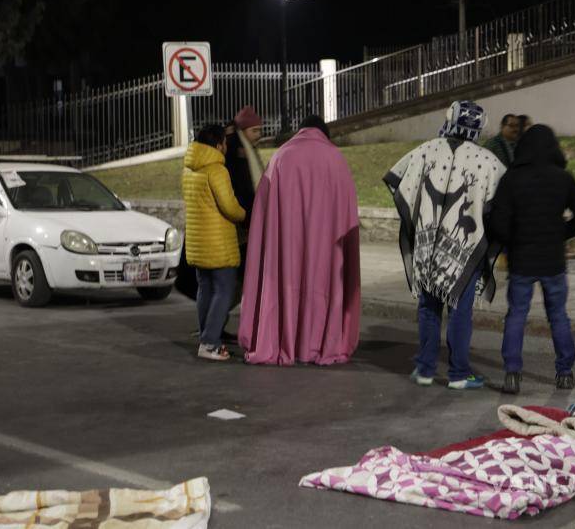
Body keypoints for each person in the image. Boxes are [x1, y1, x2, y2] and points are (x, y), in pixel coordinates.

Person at [384, 101, 507, 390]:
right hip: (465, 249)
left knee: (428, 307)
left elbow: (397, 181)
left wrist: (423, 217)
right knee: (460, 310)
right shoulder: (488, 161)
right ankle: (458, 373)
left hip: (428, 245)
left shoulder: (426, 150)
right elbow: (501, 203)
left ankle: (425, 369)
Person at [238, 115, 361, 366]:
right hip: (328, 248)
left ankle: (286, 341)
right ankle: (318, 343)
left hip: (287, 246)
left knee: (286, 281)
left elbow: (263, 208)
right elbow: (348, 212)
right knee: (323, 286)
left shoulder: (282, 157)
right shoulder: (336, 159)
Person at [487, 124, 575, 394]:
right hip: (553, 261)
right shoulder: (563, 178)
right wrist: (561, 234)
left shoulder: (511, 179)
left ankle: (512, 373)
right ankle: (565, 373)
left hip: (522, 261)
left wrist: (513, 240)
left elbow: (498, 223)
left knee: (516, 316)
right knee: (558, 316)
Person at [182, 124, 246, 361]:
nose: (227, 147)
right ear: (219, 144)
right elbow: (229, 207)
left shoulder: (189, 169)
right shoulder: (217, 171)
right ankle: (210, 343)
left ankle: (207, 334)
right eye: (225, 143)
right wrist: (245, 214)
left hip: (198, 244)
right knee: (224, 291)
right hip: (218, 244)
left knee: (205, 289)